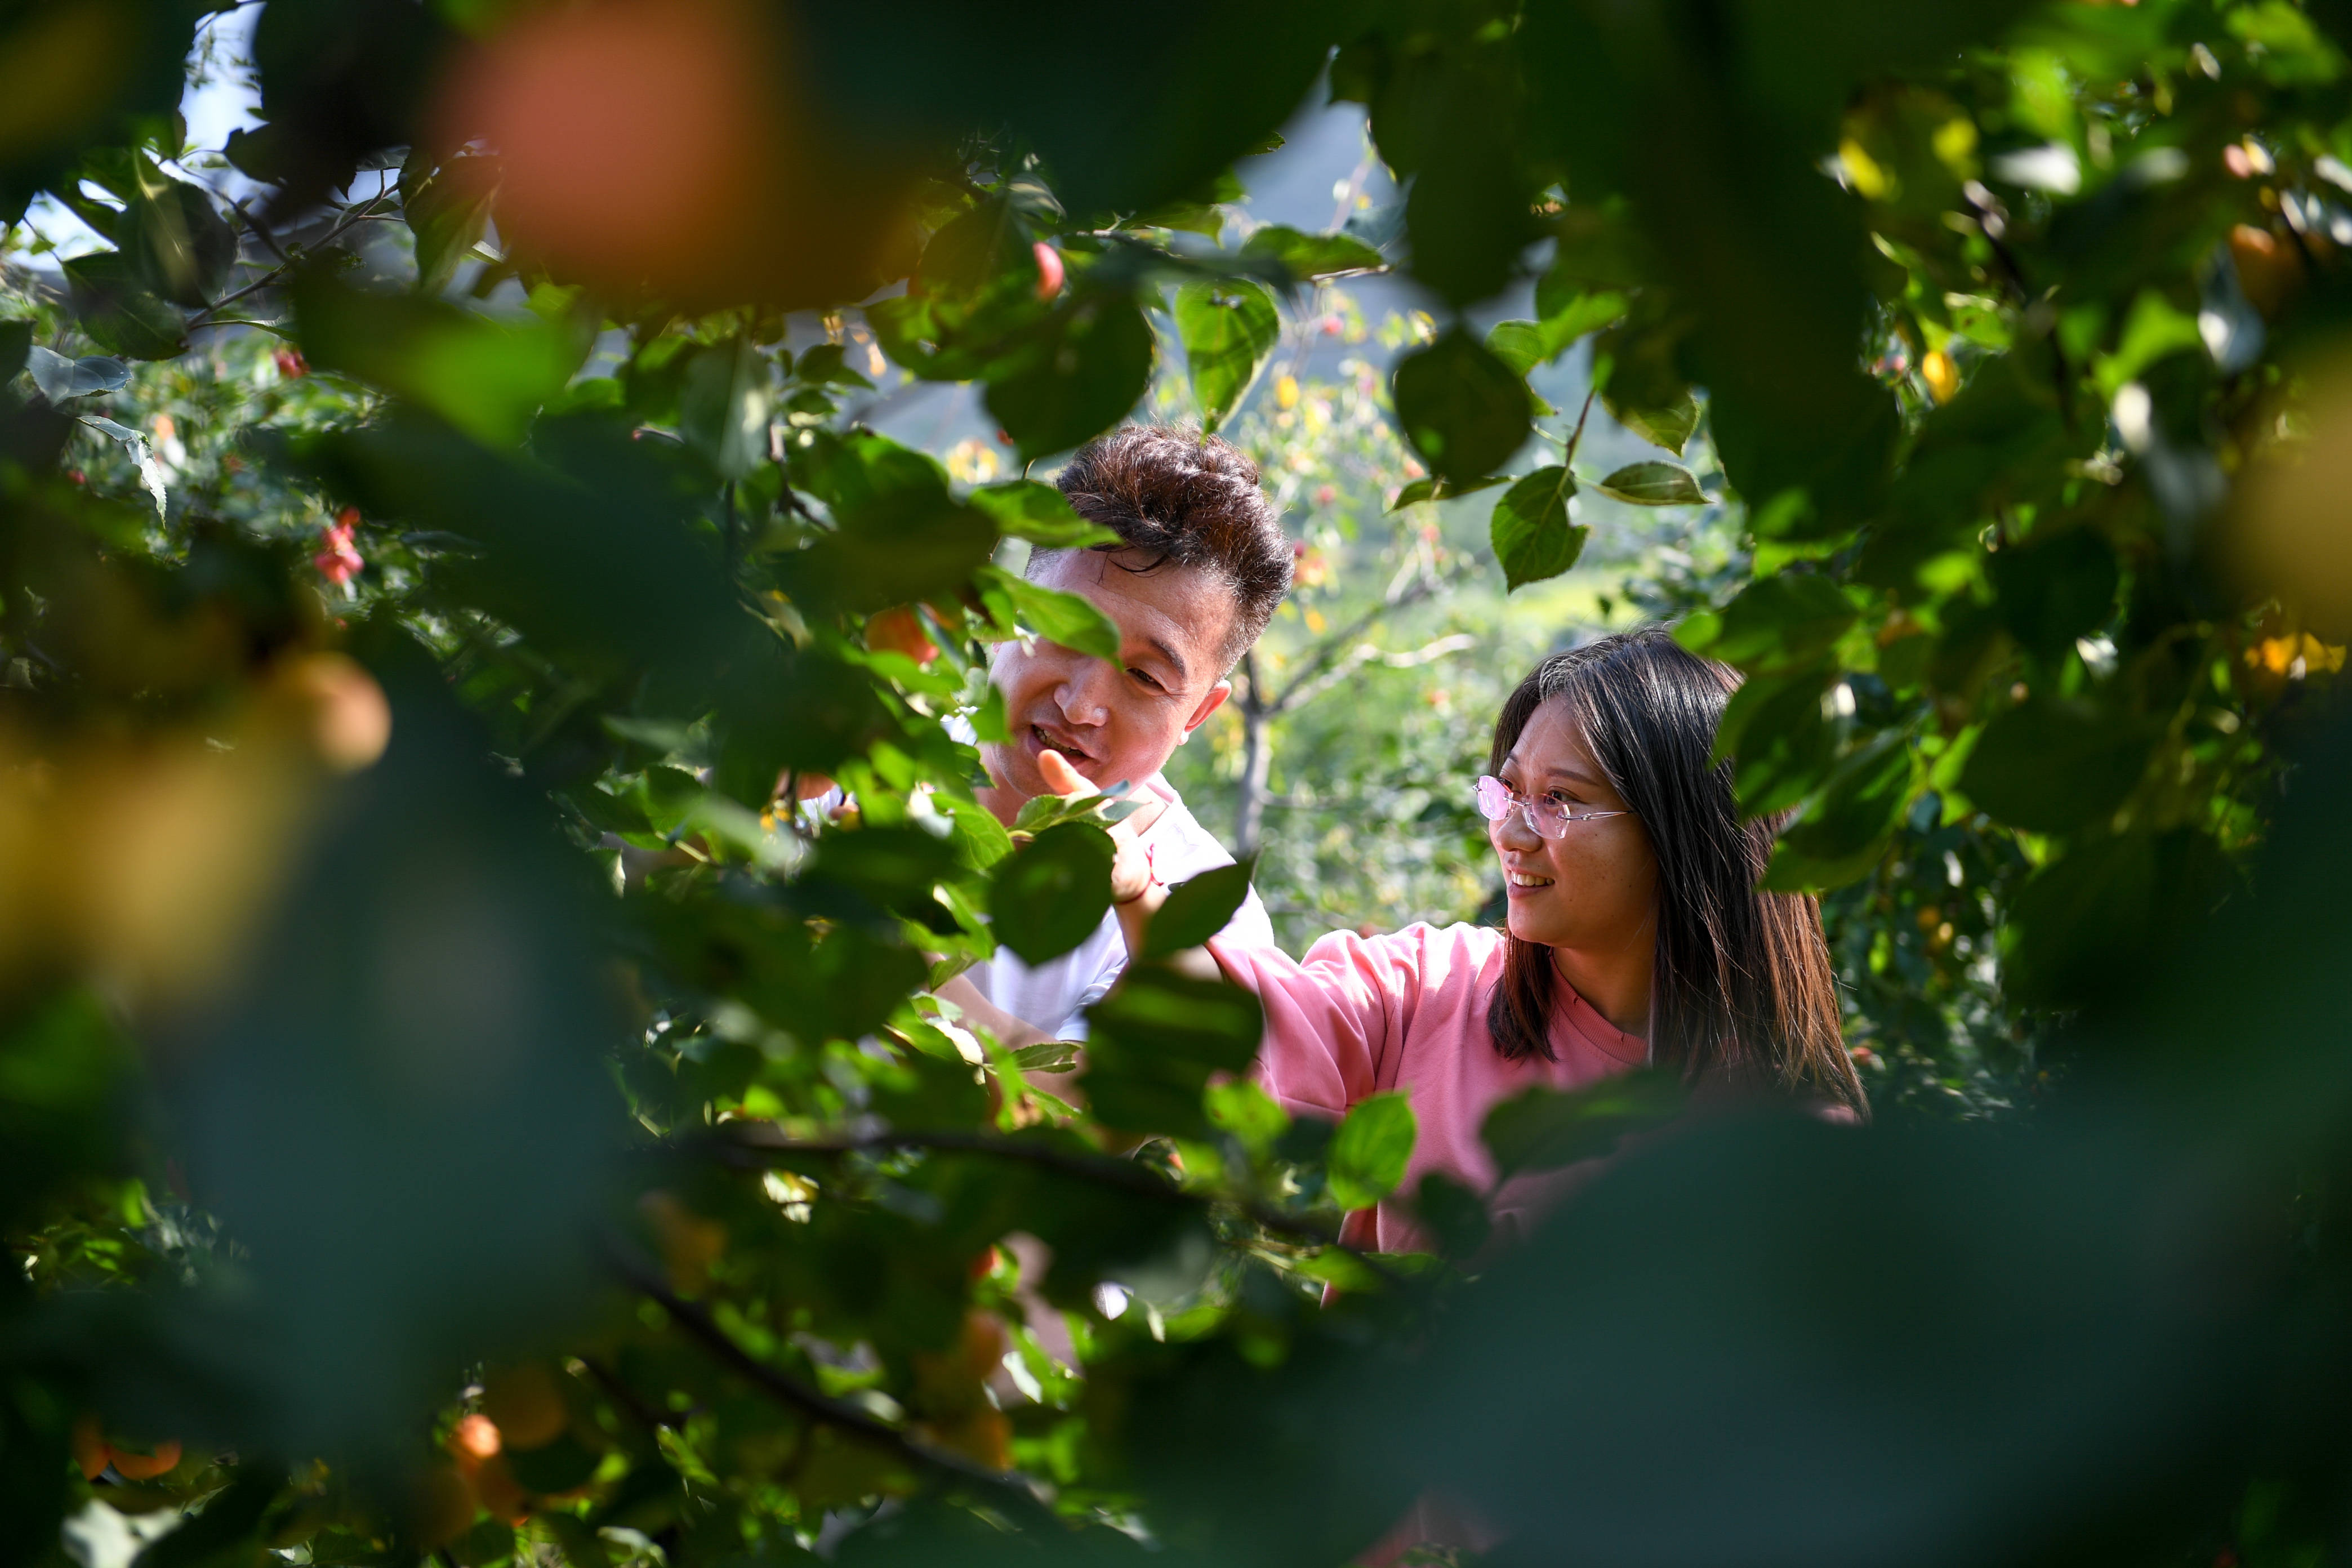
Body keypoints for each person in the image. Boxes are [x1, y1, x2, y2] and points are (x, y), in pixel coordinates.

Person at [1101, 625, 1869, 1252]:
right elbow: (1242, 1025)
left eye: (1559, 799)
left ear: (1682, 831)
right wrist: (1136, 892)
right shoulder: (1434, 990)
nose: (1510, 832)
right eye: (1508, 791)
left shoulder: (1785, 1144)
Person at [938, 424, 1293, 1047]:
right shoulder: (857, 754)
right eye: (1066, 632)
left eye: (1145, 678)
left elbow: (1081, 1100)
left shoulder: (1205, 916)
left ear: (1197, 716)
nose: (1080, 706)